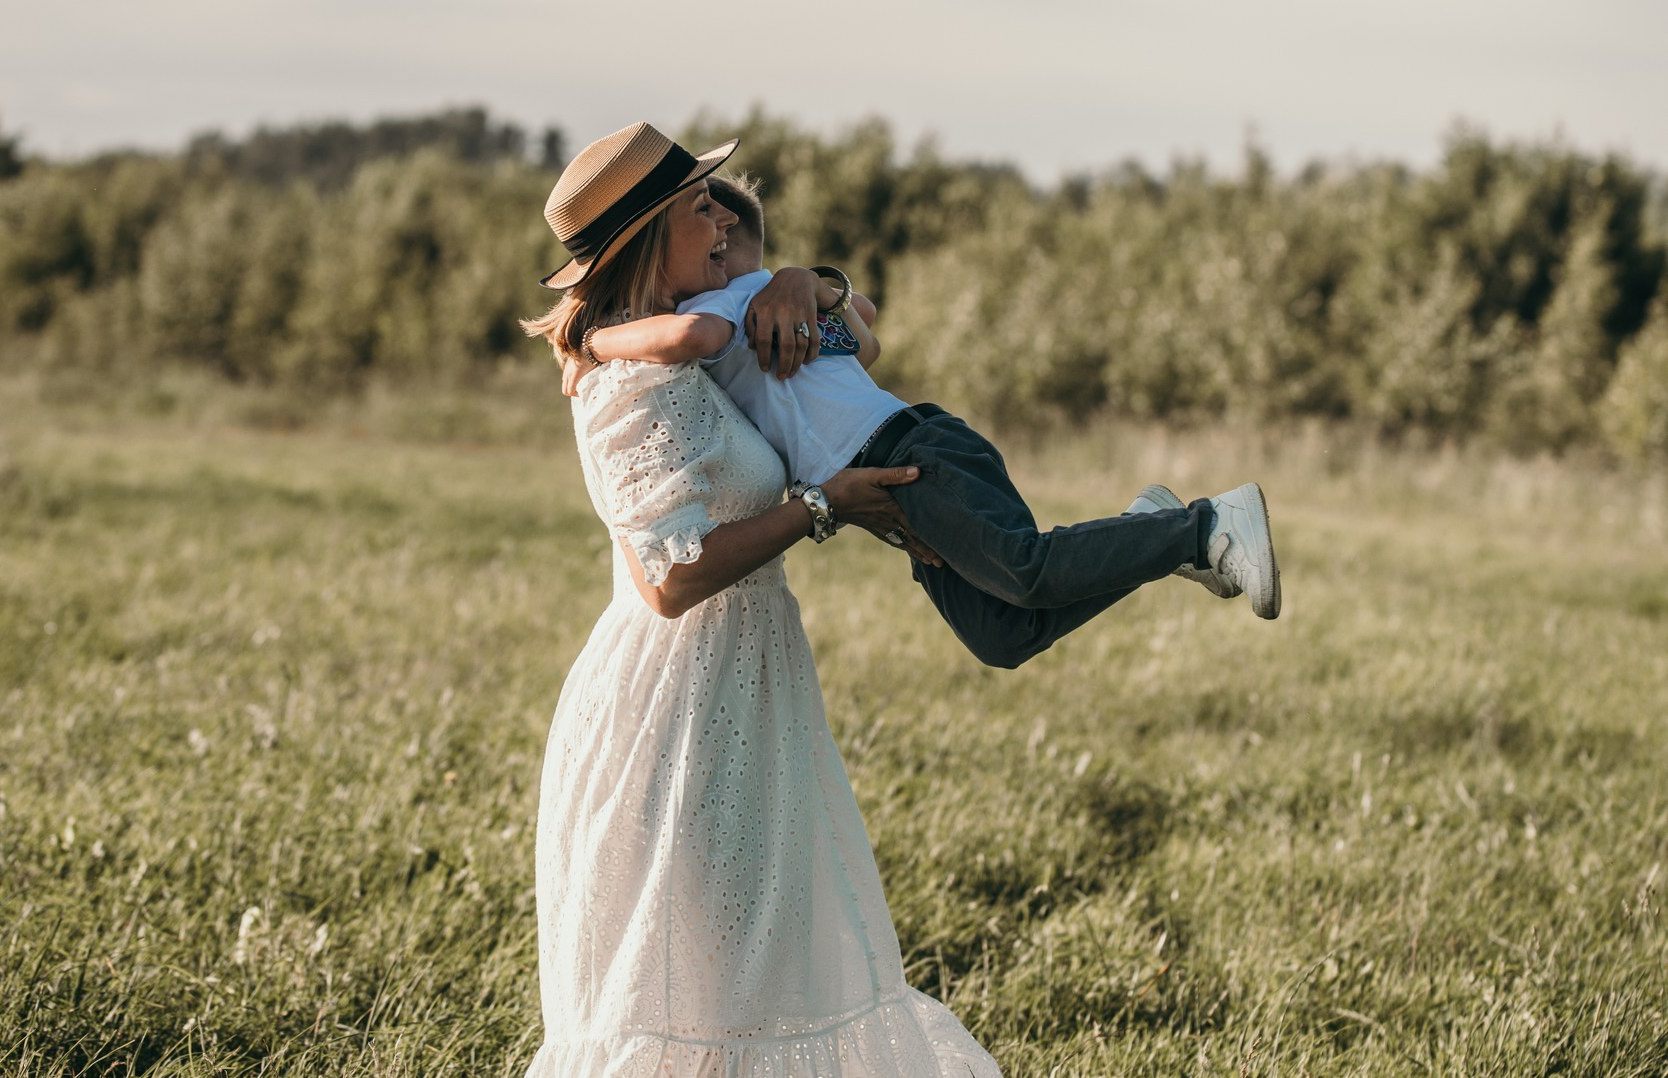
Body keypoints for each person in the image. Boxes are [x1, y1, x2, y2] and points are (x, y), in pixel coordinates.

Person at [521, 121, 1000, 1078]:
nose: (723, 224)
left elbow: (854, 328)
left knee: (765, 978)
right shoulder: (624, 384)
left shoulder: (707, 350)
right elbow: (670, 580)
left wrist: (806, 282)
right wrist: (820, 507)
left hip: (751, 684)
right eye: (700, 206)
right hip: (676, 707)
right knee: (705, 993)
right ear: (654, 233)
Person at [576, 169, 1281, 671]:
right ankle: (1148, 529)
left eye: (723, 227)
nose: (720, 236)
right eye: (705, 222)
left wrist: (590, 341)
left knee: (1026, 570)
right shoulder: (753, 308)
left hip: (911, 449)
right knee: (1003, 636)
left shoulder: (733, 302)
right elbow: (866, 337)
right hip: (897, 464)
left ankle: (1206, 524)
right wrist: (816, 289)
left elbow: (691, 341)